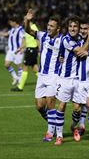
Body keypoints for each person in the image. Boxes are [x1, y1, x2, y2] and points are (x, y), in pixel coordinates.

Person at [23, 9, 63, 140]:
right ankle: (54, 125)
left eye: (52, 26)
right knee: (39, 106)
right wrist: (27, 20)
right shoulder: (43, 36)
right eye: (48, 25)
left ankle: (50, 133)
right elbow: (28, 31)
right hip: (41, 76)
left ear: (58, 28)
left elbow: (73, 51)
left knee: (51, 104)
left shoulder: (63, 40)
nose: (49, 28)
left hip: (54, 76)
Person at [54, 16, 89, 145]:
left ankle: (74, 126)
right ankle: (59, 136)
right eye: (70, 26)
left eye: (75, 26)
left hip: (78, 79)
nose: (72, 28)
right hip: (65, 79)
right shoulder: (66, 40)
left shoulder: (81, 39)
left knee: (77, 108)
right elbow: (81, 51)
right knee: (62, 105)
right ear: (67, 28)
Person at [0, 14, 24, 86]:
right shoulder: (12, 29)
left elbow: (24, 39)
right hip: (11, 51)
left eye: (11, 22)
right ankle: (15, 77)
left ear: (15, 22)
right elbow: (6, 34)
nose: (10, 23)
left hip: (18, 51)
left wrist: (21, 48)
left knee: (19, 66)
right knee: (6, 65)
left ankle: (20, 81)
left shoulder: (20, 29)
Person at [11, 21, 39, 91]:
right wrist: (20, 48)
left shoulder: (33, 27)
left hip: (32, 50)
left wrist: (40, 50)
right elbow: (26, 41)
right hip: (30, 49)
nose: (24, 21)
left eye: (25, 19)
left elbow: (38, 39)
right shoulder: (28, 28)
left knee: (25, 67)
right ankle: (45, 84)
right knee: (35, 68)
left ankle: (20, 87)